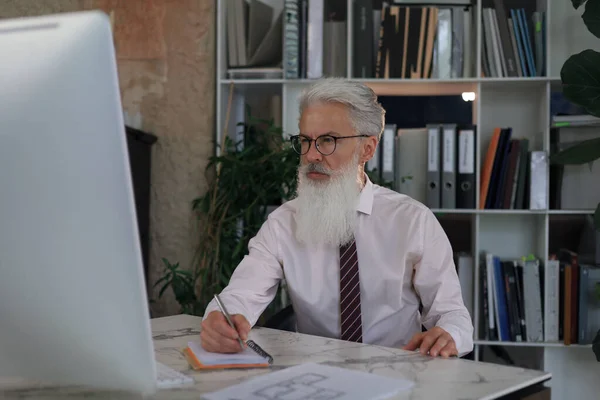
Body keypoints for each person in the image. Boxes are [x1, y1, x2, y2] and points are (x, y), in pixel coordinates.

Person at [200, 77, 473, 358]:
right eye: (305, 141)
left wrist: (450, 335)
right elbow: (241, 295)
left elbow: (452, 313)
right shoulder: (283, 223)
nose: (311, 155)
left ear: (367, 149)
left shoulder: (414, 221)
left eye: (328, 140)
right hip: (313, 375)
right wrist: (222, 320)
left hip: (397, 372)